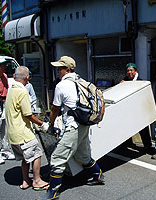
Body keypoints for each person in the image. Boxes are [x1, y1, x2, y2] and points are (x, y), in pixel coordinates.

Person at [37, 56, 104, 200]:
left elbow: (55, 109)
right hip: (84, 123)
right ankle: (98, 175)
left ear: (67, 69)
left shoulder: (62, 85)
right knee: (82, 155)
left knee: (57, 158)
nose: (57, 71)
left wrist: (51, 124)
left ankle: (53, 193)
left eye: (59, 68)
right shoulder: (81, 81)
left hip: (73, 126)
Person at [5, 66, 50, 190]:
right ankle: (37, 181)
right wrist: (42, 124)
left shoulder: (11, 90)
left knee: (26, 157)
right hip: (22, 133)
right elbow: (28, 114)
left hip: (12, 133)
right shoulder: (23, 91)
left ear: (14, 76)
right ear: (28, 77)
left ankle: (25, 181)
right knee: (36, 154)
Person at [120, 63, 153, 153]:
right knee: (127, 126)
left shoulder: (140, 81)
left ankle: (148, 146)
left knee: (143, 128)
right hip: (129, 108)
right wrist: (121, 85)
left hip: (139, 108)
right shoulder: (125, 80)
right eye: (128, 70)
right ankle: (127, 143)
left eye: (131, 70)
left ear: (135, 71)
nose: (129, 72)